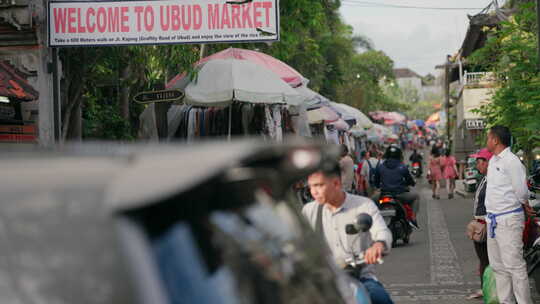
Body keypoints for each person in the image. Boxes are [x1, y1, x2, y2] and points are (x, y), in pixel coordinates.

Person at [302, 165, 394, 304]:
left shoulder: (364, 205)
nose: (314, 191)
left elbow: (381, 231)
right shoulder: (309, 211)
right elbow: (296, 241)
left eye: (319, 185)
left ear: (336, 183)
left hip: (360, 278)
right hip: (325, 281)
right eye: (311, 186)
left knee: (380, 297)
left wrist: (378, 245)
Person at [485, 125, 533, 304]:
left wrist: (525, 204)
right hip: (493, 219)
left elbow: (521, 191)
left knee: (514, 266)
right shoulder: (493, 161)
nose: (487, 141)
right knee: (498, 267)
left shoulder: (512, 161)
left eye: (488, 138)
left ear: (496, 140)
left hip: (508, 219)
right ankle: (506, 302)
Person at [466, 148, 493, 299]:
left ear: (487, 163)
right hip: (480, 222)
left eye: (479, 162)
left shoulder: (492, 180)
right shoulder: (483, 178)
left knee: (486, 259)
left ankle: (487, 289)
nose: (477, 166)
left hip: (486, 223)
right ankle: (485, 288)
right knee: (483, 259)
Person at [374, 145, 419, 229]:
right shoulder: (402, 167)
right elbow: (410, 181)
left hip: (383, 195)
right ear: (399, 155)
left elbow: (376, 182)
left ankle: (373, 221)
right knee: (416, 197)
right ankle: (413, 218)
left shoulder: (380, 166)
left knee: (371, 202)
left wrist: (379, 186)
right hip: (399, 195)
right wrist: (411, 183)